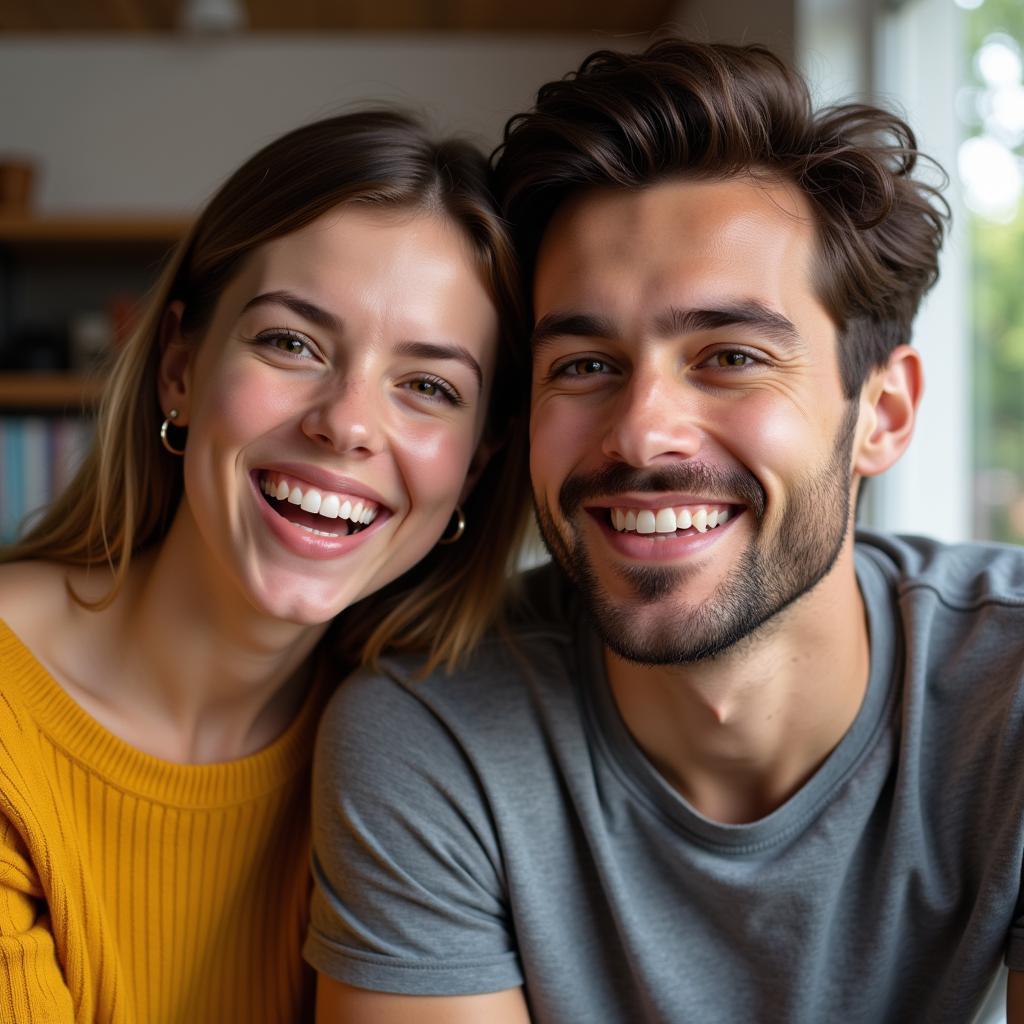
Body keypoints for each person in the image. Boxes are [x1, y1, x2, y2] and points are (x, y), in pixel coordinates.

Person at [307, 40, 1024, 1023]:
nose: (642, 431)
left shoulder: (1006, 692)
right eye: (585, 364)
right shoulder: (434, 732)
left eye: (728, 355)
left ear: (884, 413)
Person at [0, 109, 529, 1023]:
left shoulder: (433, 757)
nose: (349, 423)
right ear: (178, 366)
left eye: (429, 387)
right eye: (292, 342)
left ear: (476, 465)